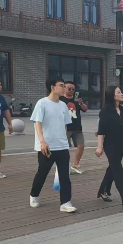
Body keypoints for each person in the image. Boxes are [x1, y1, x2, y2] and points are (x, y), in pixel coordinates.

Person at [29, 79, 77, 213]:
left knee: (65, 176)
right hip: (47, 146)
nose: (64, 88)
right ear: (52, 87)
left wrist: (65, 140)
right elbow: (37, 123)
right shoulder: (42, 103)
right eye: (61, 86)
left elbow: (65, 124)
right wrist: (42, 141)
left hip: (62, 146)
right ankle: (34, 195)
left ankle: (65, 202)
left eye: (64, 86)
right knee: (42, 173)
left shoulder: (63, 105)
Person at [95, 86, 123, 209]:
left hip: (120, 143)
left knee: (113, 168)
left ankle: (103, 190)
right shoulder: (105, 111)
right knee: (117, 169)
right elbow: (101, 130)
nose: (122, 93)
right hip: (110, 144)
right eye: (119, 92)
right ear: (112, 95)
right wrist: (99, 147)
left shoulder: (122, 109)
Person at [60, 81, 88, 174]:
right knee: (64, 148)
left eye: (73, 89)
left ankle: (76, 164)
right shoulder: (60, 100)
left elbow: (85, 109)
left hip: (77, 127)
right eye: (69, 89)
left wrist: (81, 103)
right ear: (64, 88)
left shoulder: (76, 100)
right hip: (65, 128)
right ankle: (65, 166)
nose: (71, 91)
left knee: (81, 145)